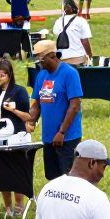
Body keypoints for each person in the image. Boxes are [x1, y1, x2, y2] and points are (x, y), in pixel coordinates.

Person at [0, 58, 32, 218]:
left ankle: (19, 206)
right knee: (2, 172)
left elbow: (28, 116)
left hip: (16, 137)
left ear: (9, 75)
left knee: (16, 170)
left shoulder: (19, 92)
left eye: (2, 76)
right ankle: (8, 207)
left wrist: (14, 110)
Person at [29, 39, 84, 179]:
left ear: (52, 56)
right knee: (52, 177)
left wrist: (62, 132)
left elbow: (75, 106)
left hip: (67, 137)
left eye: (41, 59)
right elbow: (37, 104)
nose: (39, 63)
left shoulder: (69, 74)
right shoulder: (41, 75)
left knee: (69, 177)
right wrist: (30, 122)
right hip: (48, 137)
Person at [52, 0, 93, 67]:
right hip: (78, 58)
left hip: (61, 58)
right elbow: (85, 41)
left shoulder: (58, 21)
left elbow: (55, 35)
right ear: (76, 9)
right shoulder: (81, 21)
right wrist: (90, 56)